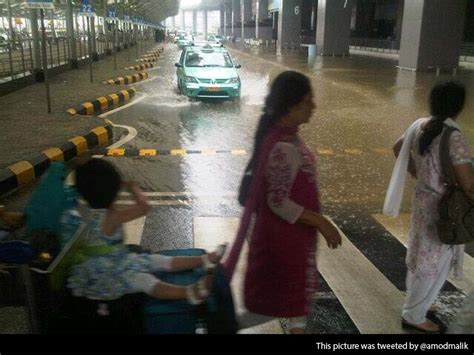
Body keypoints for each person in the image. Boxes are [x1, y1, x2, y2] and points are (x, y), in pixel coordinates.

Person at [223, 71, 342, 334]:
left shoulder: (286, 135)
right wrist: (321, 221)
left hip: (291, 239)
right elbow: (277, 201)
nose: (314, 106)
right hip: (283, 242)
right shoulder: (283, 146)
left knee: (292, 306)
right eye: (309, 101)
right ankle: (222, 325)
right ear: (292, 106)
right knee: (279, 304)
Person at [67, 158, 226, 304]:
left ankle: (206, 259)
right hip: (108, 275)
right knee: (144, 280)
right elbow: (144, 207)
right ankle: (190, 293)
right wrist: (133, 187)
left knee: (155, 260)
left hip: (112, 262)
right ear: (113, 190)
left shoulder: (83, 213)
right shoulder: (112, 216)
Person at [385, 81, 472, 333]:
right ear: (458, 106)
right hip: (445, 208)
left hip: (423, 201)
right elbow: (467, 182)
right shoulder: (453, 136)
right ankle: (414, 314)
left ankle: (418, 301)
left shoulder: (418, 126)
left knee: (420, 254)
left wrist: (417, 172)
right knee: (434, 260)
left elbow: (397, 148)